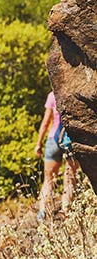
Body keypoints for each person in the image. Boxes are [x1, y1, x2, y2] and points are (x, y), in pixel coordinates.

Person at [35, 89, 78, 221]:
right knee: (70, 178)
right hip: (70, 140)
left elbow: (45, 122)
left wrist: (39, 143)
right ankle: (66, 211)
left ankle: (43, 213)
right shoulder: (74, 94)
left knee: (48, 179)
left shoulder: (52, 95)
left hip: (53, 139)